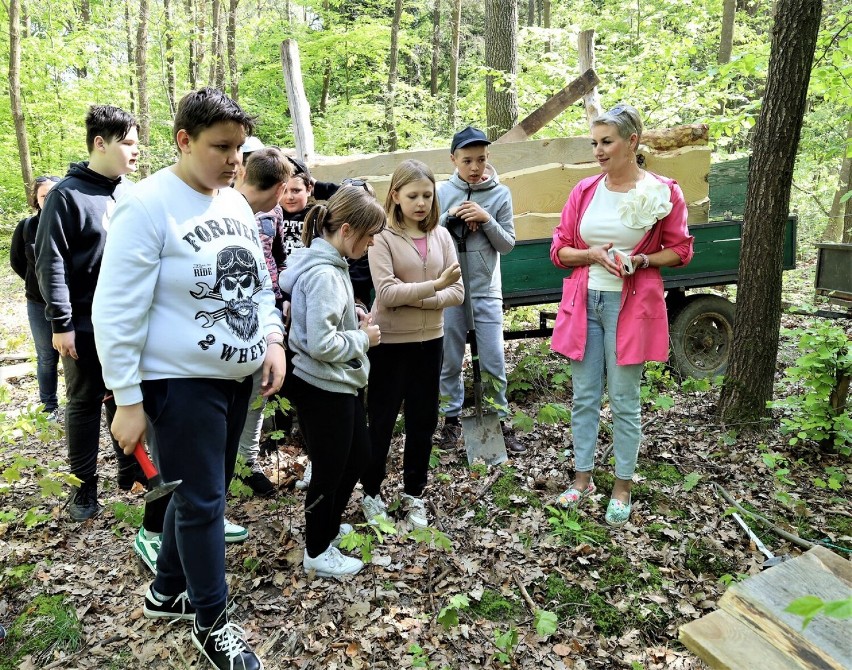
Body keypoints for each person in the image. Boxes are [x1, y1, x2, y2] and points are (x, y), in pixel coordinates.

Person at [92, 87, 285, 670]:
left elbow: (256, 282)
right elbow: (115, 310)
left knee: (204, 492)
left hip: (236, 377)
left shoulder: (231, 202)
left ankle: (166, 589)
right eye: (220, 147)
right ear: (183, 140)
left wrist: (271, 338)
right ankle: (212, 621)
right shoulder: (146, 204)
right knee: (203, 503)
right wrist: (128, 398)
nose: (234, 160)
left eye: (239, 148)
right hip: (179, 383)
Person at [549, 104, 693, 526]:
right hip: (583, 303)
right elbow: (559, 251)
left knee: (625, 399)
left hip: (629, 307)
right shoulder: (584, 191)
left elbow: (681, 250)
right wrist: (591, 253)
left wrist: (641, 261)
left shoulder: (663, 191)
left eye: (606, 141)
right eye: (594, 143)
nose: (598, 150)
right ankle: (582, 480)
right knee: (584, 396)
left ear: (632, 142)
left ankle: (622, 485)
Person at [35, 105, 143, 521]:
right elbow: (51, 262)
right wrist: (61, 323)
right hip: (81, 323)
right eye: (128, 143)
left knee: (124, 392)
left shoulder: (129, 192)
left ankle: (131, 470)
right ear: (101, 143)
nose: (136, 152)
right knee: (84, 403)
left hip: (125, 320)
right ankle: (83, 491)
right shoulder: (67, 194)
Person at [279, 187, 385, 578]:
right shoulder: (324, 273)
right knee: (330, 468)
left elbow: (325, 322)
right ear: (345, 229)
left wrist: (353, 317)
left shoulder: (334, 264)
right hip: (322, 385)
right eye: (370, 234)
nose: (373, 242)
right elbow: (321, 343)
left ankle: (326, 526)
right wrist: (363, 340)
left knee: (356, 457)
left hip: (339, 381)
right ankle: (317, 549)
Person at [360, 160, 463, 529]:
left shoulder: (441, 235)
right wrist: (435, 287)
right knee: (382, 422)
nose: (421, 203)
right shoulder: (381, 236)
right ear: (395, 196)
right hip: (389, 344)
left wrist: (420, 298)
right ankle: (371, 493)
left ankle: (414, 493)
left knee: (423, 421)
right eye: (412, 195)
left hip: (430, 342)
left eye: (427, 195)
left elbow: (459, 292)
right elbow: (386, 294)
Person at [436, 125, 525, 454]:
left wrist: (486, 219)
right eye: (467, 160)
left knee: (493, 359)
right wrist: (451, 217)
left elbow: (507, 244)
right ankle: (450, 420)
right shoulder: (441, 192)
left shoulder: (500, 194)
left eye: (481, 159)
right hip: (450, 290)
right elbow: (429, 238)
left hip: (486, 289)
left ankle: (500, 420)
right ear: (454, 159)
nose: (475, 167)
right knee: (449, 359)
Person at [10, 175, 62, 419]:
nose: (48, 199)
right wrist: (38, 285)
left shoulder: (68, 224)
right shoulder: (27, 227)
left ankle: (79, 403)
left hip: (71, 303)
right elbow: (17, 262)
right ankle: (49, 406)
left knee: (75, 355)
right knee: (46, 356)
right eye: (43, 196)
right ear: (36, 200)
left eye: (53, 194)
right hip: (37, 302)